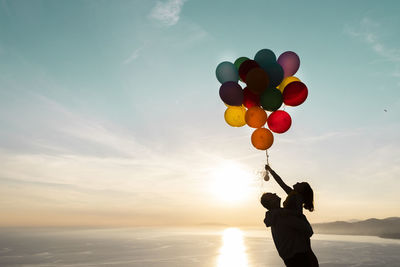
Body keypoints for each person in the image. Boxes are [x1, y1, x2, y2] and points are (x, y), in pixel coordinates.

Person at [261, 193, 318, 267]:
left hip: (292, 259)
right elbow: (308, 230)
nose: (275, 193)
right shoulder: (282, 217)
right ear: (271, 202)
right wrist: (301, 215)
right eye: (272, 195)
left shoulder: (275, 216)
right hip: (300, 258)